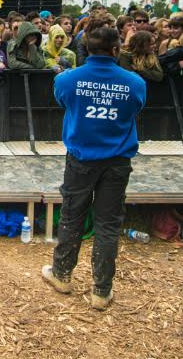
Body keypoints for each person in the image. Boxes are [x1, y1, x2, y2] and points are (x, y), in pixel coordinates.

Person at [42, 27, 146, 310]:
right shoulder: (135, 83)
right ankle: (102, 290)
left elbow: (62, 101)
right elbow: (136, 109)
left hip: (81, 159)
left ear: (85, 49)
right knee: (108, 223)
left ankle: (62, 275)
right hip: (117, 161)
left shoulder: (67, 80)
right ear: (116, 49)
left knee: (72, 216)